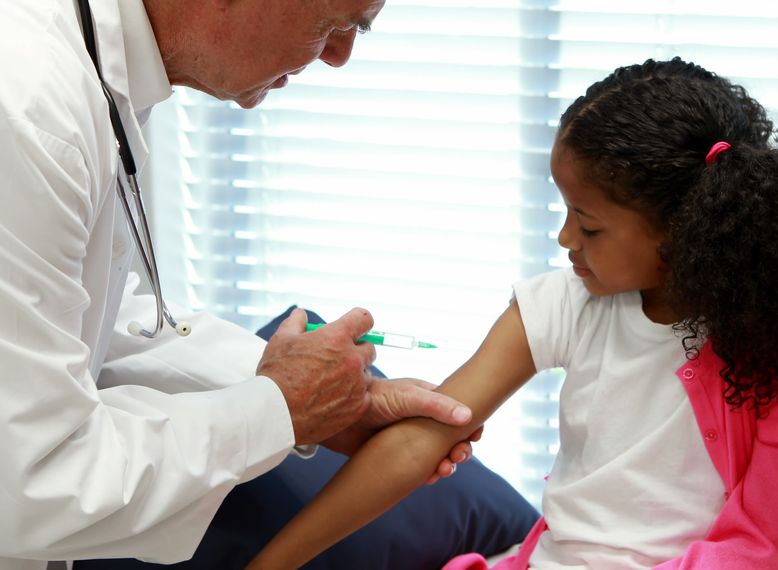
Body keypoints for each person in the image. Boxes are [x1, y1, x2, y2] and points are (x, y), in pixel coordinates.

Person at [245, 57, 778, 570]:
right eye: (566, 211)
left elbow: (763, 545)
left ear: (684, 231)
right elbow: (426, 434)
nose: (566, 239)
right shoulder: (565, 302)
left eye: (590, 225)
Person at [0, 0, 536, 568]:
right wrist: (278, 409)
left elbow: (92, 326)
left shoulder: (98, 78)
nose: (339, 56)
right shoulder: (27, 109)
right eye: (337, 21)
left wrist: (325, 404)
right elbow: (32, 484)